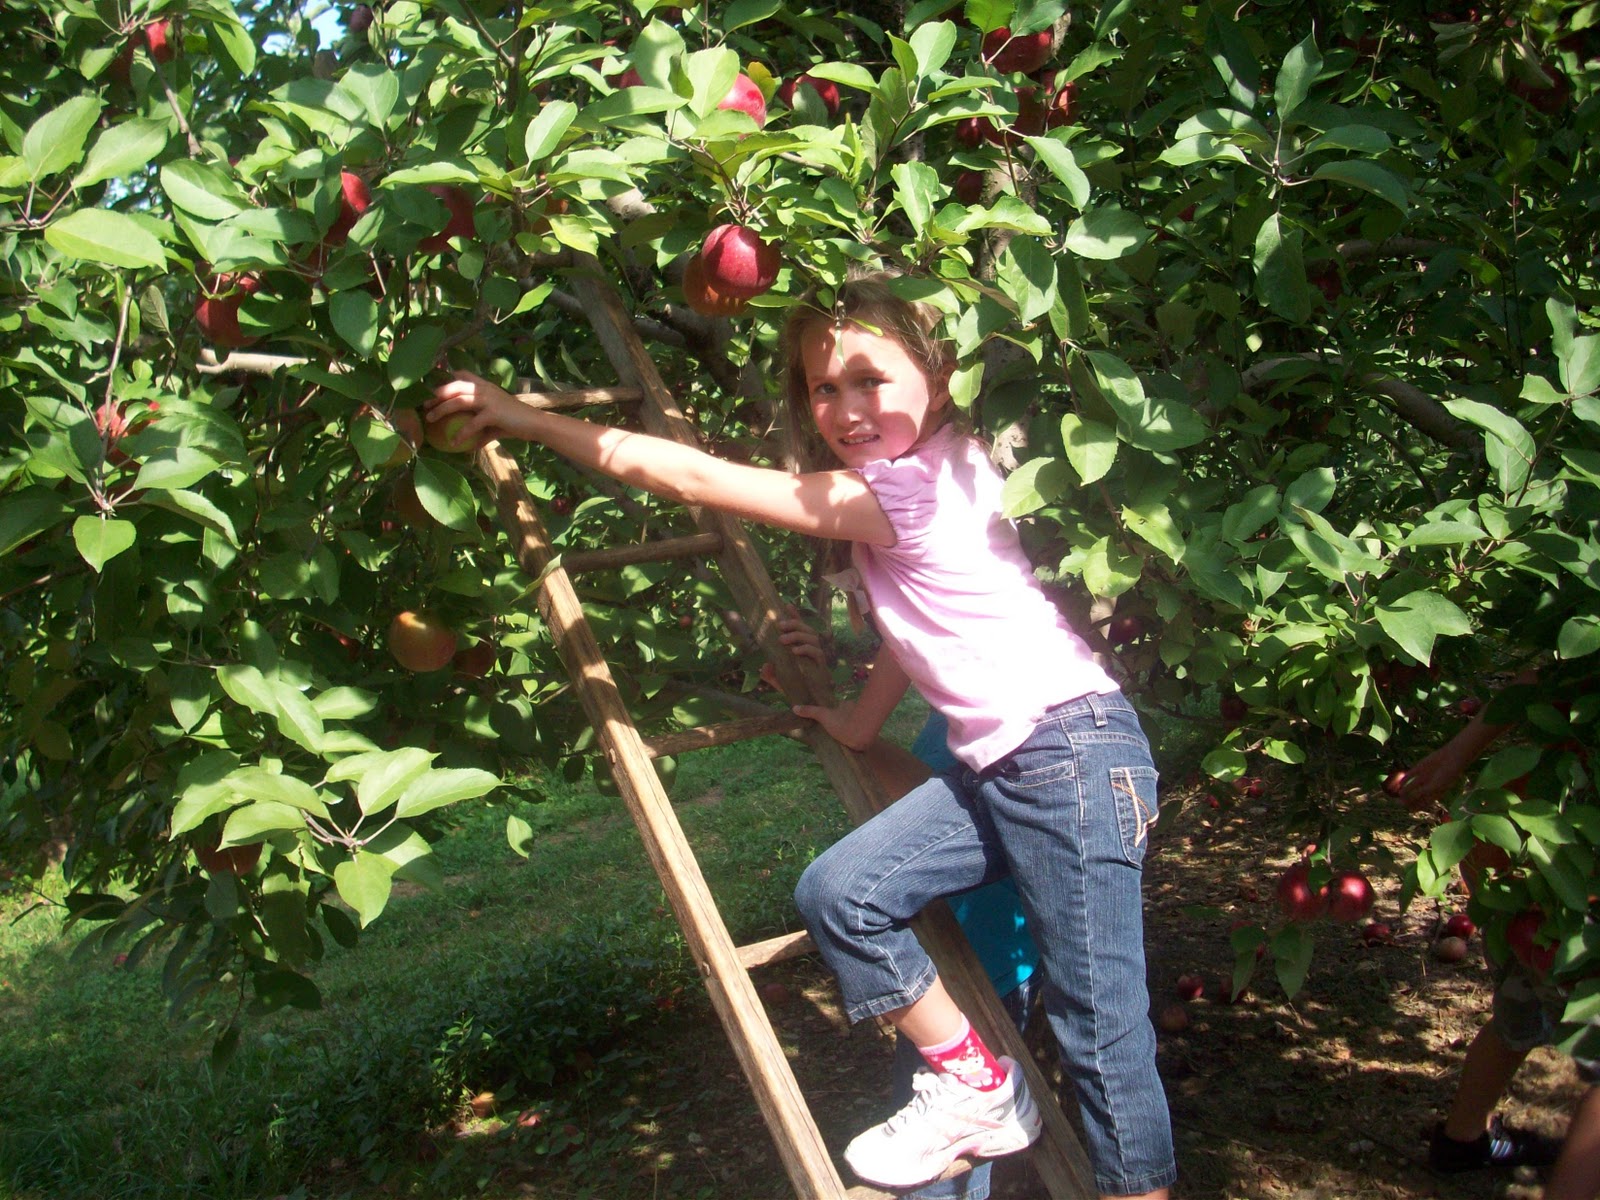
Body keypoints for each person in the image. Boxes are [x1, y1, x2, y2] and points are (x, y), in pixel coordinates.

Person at [428, 270, 1175, 1197]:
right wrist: (858, 719)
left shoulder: (905, 493)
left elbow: (697, 477)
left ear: (939, 375)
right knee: (843, 891)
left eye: (870, 379)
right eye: (824, 388)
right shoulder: (925, 480)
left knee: (1099, 1027)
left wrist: (532, 420)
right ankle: (978, 1083)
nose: (847, 407)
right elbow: (923, 629)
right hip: (1011, 764)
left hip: (1069, 750)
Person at [770, 615, 1042, 1200]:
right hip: (939, 952)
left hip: (977, 955)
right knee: (949, 1135)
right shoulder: (957, 708)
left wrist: (855, 730)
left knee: (947, 1153)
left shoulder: (988, 713)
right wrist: (830, 711)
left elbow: (941, 802)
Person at [1394, 672, 1566, 1175]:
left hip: (1529, 852)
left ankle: (1461, 1140)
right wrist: (1456, 755)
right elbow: (1540, 681)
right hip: (1551, 860)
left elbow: (1536, 680)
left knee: (1520, 1005)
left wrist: (1459, 753)